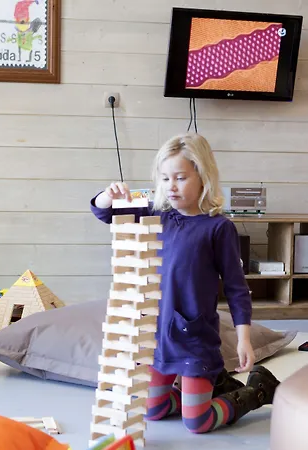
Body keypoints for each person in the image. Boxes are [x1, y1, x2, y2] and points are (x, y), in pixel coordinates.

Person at [90, 133, 280, 433]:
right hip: (156, 338)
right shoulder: (155, 214)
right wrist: (107, 194)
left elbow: (236, 288)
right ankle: (206, 391)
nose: (171, 186)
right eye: (165, 178)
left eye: (180, 178)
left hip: (194, 339)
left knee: (197, 423)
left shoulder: (218, 227)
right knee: (150, 410)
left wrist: (244, 338)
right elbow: (104, 212)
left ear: (203, 177)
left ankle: (257, 390)